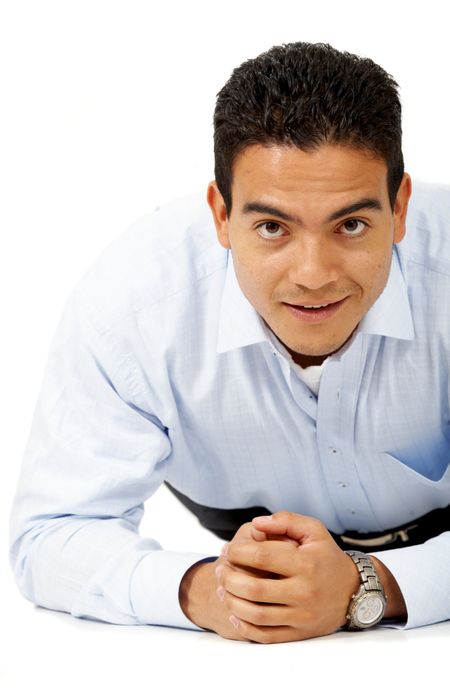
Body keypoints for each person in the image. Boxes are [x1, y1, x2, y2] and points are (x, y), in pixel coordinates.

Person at [9, 41, 450, 644]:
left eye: (351, 225)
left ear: (400, 209)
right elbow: (51, 534)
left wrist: (368, 587)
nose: (313, 273)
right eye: (272, 227)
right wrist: (207, 590)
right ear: (221, 214)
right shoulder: (133, 307)